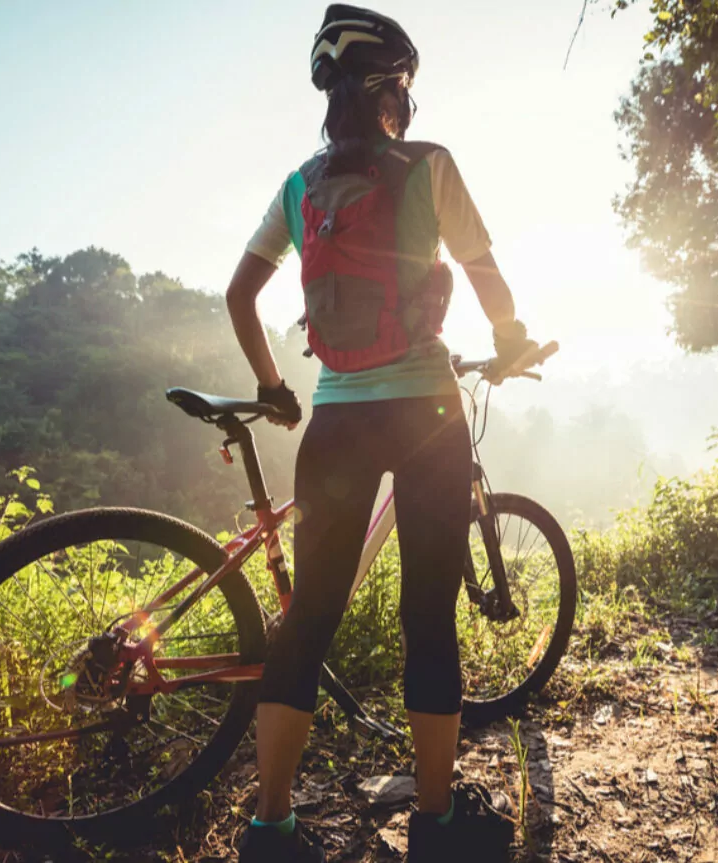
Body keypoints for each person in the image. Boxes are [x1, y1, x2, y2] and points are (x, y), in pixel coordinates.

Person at [225, 6, 537, 861]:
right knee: (427, 615)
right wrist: (510, 344)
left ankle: (271, 827)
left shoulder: (300, 184)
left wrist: (272, 386)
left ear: (330, 96)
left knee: (310, 617)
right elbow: (482, 272)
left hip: (335, 418)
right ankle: (434, 825)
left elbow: (239, 295)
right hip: (428, 417)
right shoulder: (429, 165)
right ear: (396, 86)